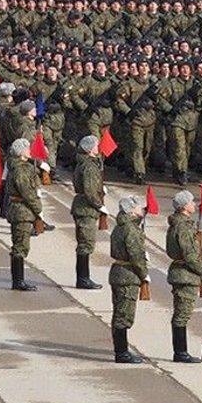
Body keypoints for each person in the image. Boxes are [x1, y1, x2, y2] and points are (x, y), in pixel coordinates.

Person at [109, 195, 148, 364]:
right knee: (123, 316)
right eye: (139, 207)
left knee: (119, 313)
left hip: (118, 273)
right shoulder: (131, 229)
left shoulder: (120, 226)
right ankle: (122, 353)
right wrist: (144, 273)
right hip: (128, 275)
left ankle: (121, 350)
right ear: (131, 211)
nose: (143, 209)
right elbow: (135, 256)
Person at [166, 189, 202, 363]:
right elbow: (189, 254)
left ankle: (180, 351)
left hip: (181, 272)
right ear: (183, 206)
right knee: (182, 315)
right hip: (186, 275)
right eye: (191, 202)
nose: (194, 204)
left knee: (181, 313)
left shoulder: (179, 224)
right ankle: (180, 352)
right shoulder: (183, 227)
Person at [5, 138, 42, 292]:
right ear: (21, 152)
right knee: (20, 246)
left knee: (20, 245)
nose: (29, 150)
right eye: (27, 148)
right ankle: (18, 281)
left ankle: (18, 280)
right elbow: (26, 192)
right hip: (22, 212)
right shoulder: (20, 170)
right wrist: (38, 208)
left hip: (22, 210)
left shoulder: (22, 167)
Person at [70, 134, 105, 290]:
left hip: (81, 206)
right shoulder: (89, 166)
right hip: (86, 208)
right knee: (86, 244)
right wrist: (99, 205)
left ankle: (83, 278)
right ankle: (83, 279)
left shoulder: (83, 163)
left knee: (84, 243)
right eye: (96, 145)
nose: (98, 147)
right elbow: (90, 190)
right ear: (90, 149)